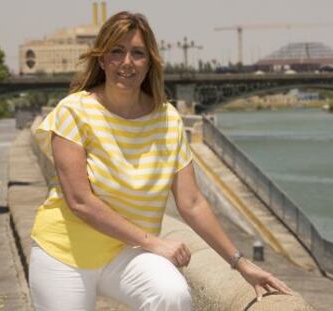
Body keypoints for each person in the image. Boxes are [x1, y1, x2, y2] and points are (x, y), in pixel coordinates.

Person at [29, 11, 292, 311]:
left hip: (126, 253)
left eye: (137, 53)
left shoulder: (167, 120)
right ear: (102, 60)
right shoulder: (73, 111)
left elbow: (192, 202)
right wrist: (154, 243)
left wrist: (241, 263)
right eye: (117, 51)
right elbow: (80, 202)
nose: (127, 62)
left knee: (171, 294)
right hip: (66, 253)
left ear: (150, 62)